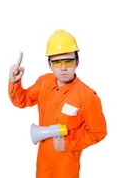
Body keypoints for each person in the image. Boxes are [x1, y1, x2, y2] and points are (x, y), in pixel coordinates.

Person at [8, 29, 107, 178]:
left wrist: (69, 144)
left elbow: (99, 132)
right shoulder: (44, 82)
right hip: (43, 164)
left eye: (68, 61)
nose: (63, 67)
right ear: (50, 65)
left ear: (77, 62)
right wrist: (15, 82)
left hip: (66, 166)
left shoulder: (87, 96)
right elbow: (22, 101)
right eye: (57, 62)